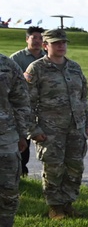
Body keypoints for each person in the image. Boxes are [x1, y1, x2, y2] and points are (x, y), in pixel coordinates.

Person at [24, 29, 88, 220]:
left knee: (75, 167)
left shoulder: (74, 68)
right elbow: (26, 103)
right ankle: (55, 207)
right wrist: (34, 130)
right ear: (45, 45)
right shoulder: (36, 69)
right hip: (50, 130)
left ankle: (68, 203)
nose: (61, 46)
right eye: (56, 43)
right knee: (53, 168)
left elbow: (83, 98)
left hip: (75, 128)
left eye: (63, 42)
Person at [0, 52, 31, 227]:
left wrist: (22, 134)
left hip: (6, 138)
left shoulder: (7, 65)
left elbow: (21, 101)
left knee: (8, 189)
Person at [9, 26, 46, 176]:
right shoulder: (16, 58)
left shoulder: (47, 57)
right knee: (23, 138)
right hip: (23, 105)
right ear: (27, 39)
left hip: (43, 105)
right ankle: (21, 171)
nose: (37, 41)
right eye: (34, 38)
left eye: (40, 38)